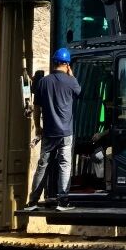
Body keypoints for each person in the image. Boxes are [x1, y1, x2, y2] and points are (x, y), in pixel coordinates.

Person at [29, 48, 81, 206]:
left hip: (49, 133)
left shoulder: (43, 82)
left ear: (54, 63)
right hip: (66, 133)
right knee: (64, 164)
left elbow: (36, 107)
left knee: (42, 166)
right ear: (67, 64)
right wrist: (71, 76)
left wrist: (38, 127)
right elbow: (79, 93)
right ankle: (62, 201)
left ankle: (33, 201)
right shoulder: (71, 81)